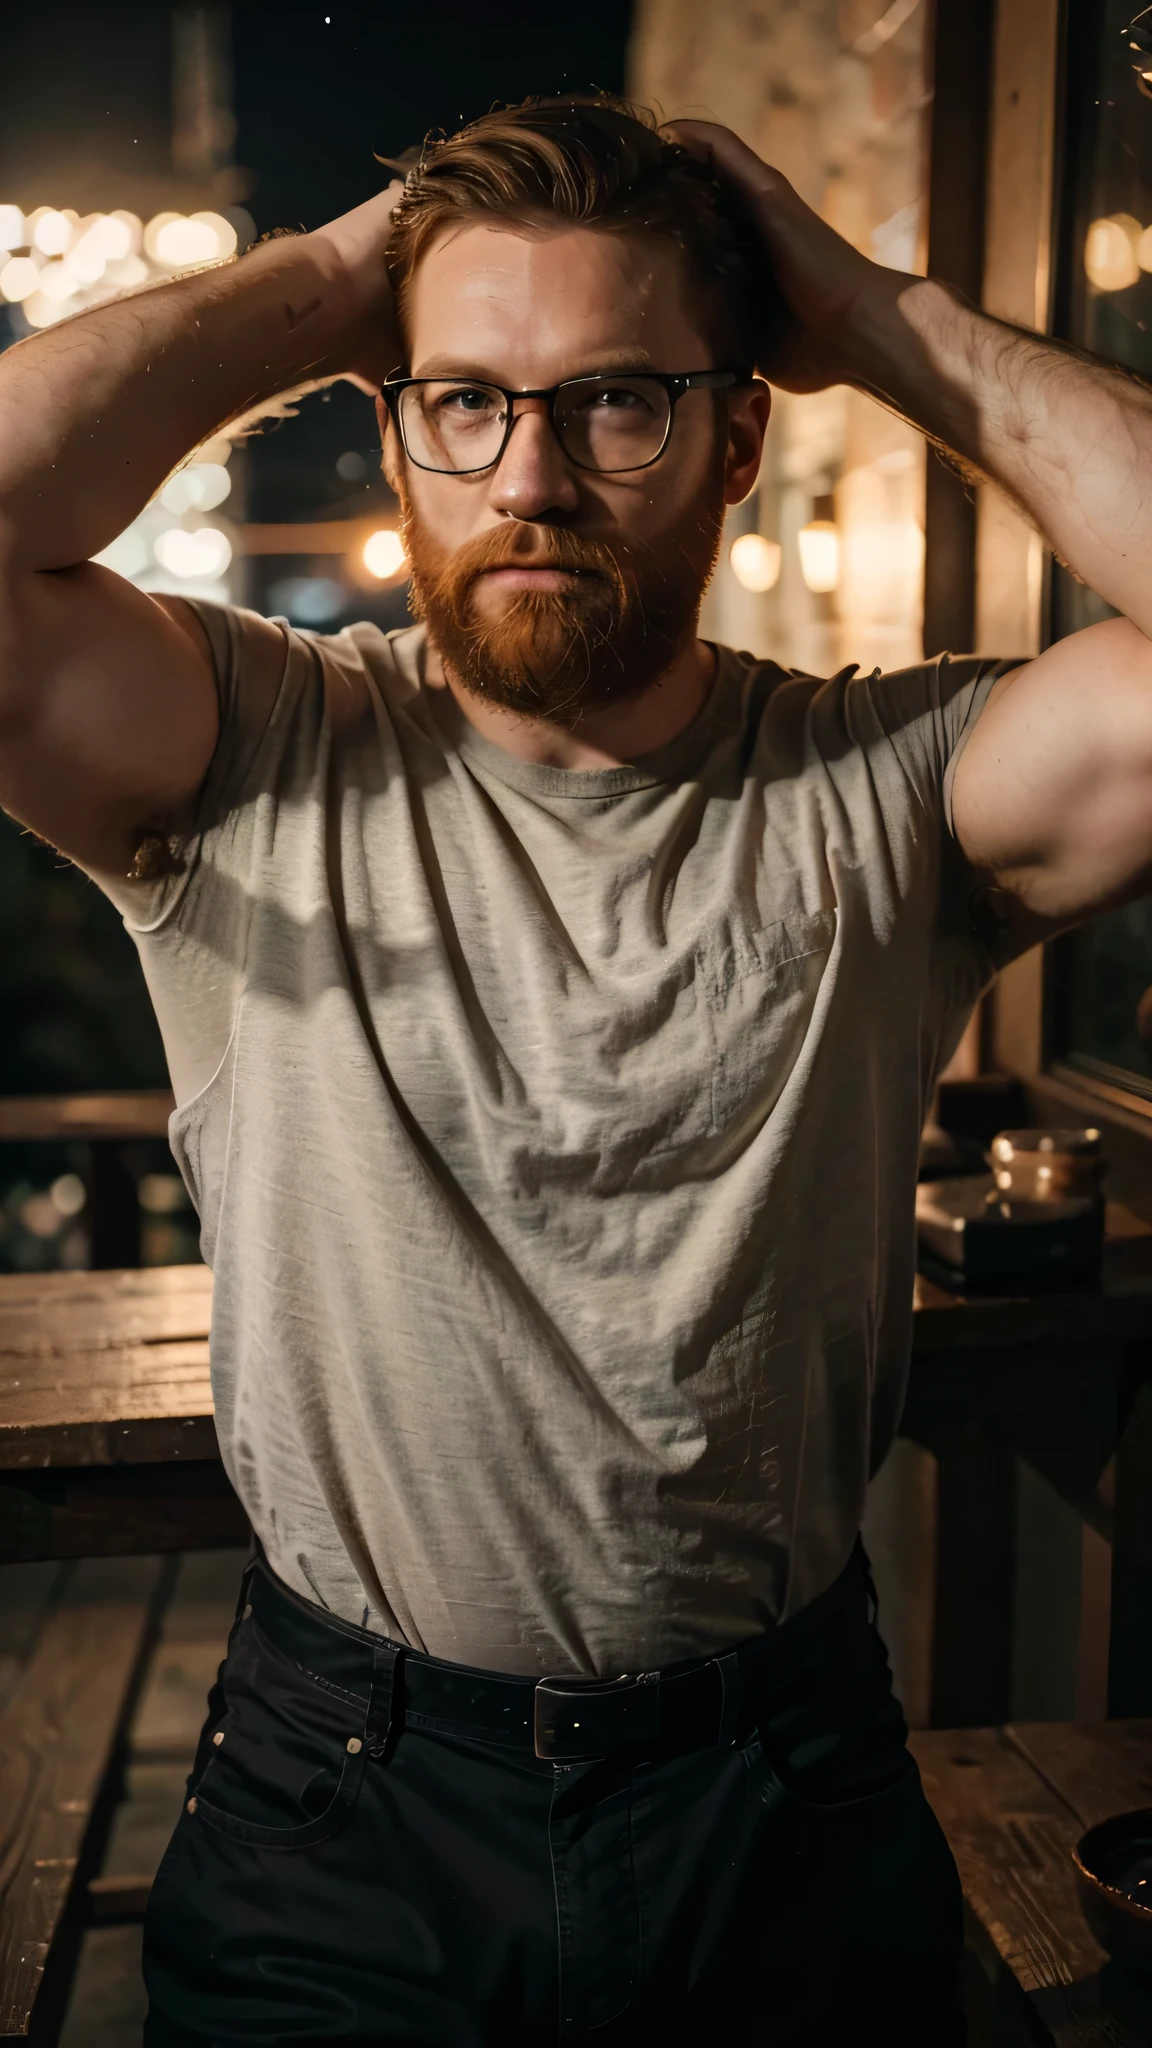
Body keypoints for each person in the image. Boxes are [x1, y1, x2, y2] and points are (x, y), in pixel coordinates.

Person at [1, 90, 1151, 2046]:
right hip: (339, 1800)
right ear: (396, 429)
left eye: (617, 399)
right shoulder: (247, 753)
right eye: (466, 400)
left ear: (735, 438)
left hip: (777, 1782)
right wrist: (328, 276)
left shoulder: (891, 790)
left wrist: (868, 306)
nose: (531, 477)